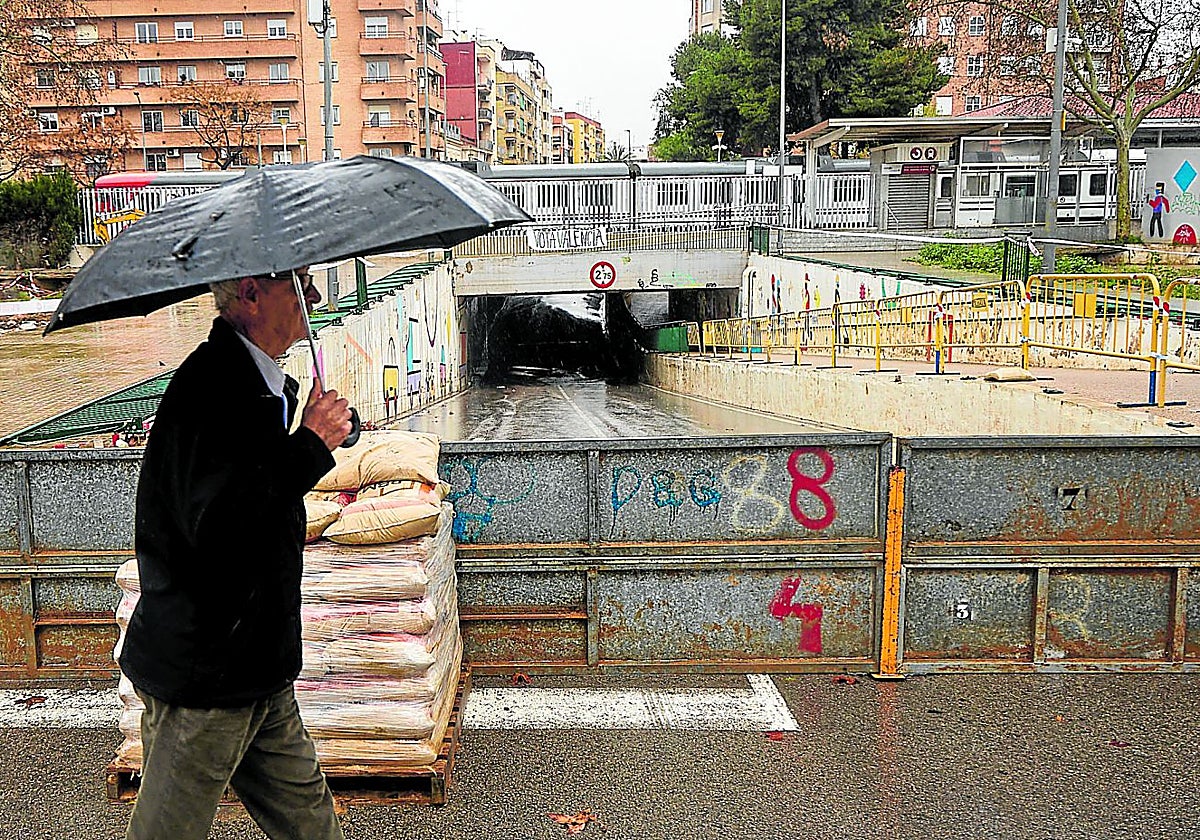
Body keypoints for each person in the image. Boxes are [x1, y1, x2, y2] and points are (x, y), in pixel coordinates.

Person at [119, 268, 352, 840]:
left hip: (257, 666)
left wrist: (305, 440)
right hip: (209, 678)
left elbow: (254, 495)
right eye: (299, 282)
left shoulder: (253, 385)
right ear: (251, 293)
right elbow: (220, 528)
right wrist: (310, 446)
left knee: (312, 825)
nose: (314, 295)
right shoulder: (213, 390)